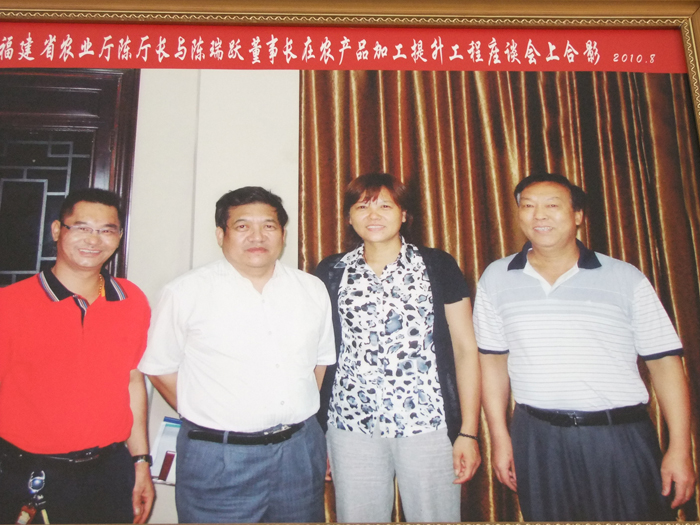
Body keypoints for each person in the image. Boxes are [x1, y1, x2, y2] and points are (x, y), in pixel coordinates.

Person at [474, 172, 695, 521]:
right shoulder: (495, 278)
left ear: (578, 215)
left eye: (552, 205)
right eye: (528, 206)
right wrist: (500, 440)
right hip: (537, 439)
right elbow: (492, 363)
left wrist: (680, 448)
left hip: (618, 436)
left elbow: (665, 363)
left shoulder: (625, 277)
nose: (539, 215)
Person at [139, 186, 335, 523]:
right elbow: (159, 368)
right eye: (242, 226)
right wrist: (207, 413)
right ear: (221, 234)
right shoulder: (185, 292)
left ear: (283, 234)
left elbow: (319, 363)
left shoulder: (311, 289)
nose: (257, 236)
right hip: (219, 459)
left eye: (269, 226)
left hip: (299, 454)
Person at [314, 173, 481, 523]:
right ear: (349, 217)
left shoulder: (437, 265)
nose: (373, 215)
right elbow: (321, 355)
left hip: (428, 424)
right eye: (363, 207)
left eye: (385, 206)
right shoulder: (331, 271)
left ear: (404, 214)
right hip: (350, 425)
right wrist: (317, 433)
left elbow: (466, 349)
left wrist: (468, 431)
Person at [0, 188, 154, 524]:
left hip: (109, 472)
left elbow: (132, 380)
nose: (94, 240)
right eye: (82, 227)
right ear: (58, 230)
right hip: (28, 472)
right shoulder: (9, 304)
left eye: (106, 230)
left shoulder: (132, 300)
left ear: (119, 236)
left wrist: (140, 461)